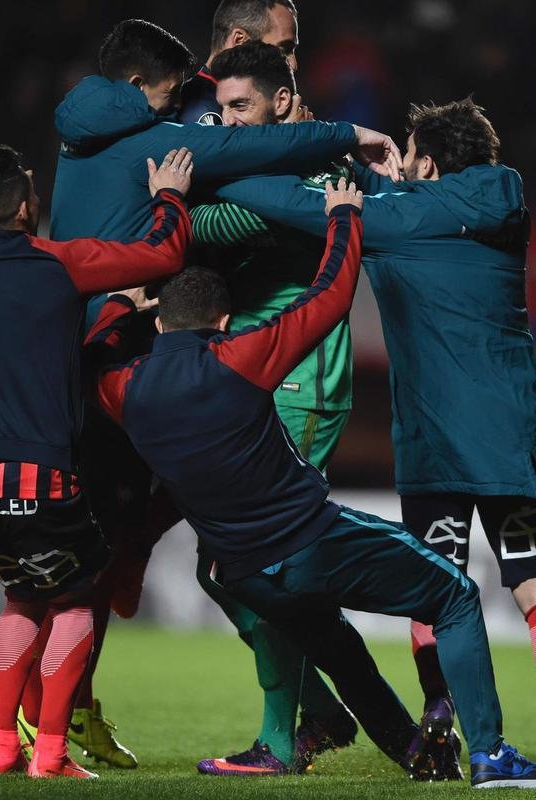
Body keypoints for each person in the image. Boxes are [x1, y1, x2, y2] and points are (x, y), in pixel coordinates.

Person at [88, 177, 536, 790]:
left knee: (336, 645)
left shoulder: (123, 389)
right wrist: (344, 216)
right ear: (227, 321)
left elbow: (95, 352)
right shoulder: (238, 358)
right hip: (312, 542)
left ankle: (414, 753)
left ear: (160, 328)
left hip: (243, 572)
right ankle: (492, 756)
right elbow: (330, 297)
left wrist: (119, 306)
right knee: (455, 597)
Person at [20, 16, 402, 768]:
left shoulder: (101, 134)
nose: (295, 62)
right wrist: (344, 140)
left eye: (293, 52)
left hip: (215, 372)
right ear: (234, 38)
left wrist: (192, 215)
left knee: (219, 560)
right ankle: (53, 718)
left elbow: (254, 195)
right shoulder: (183, 124)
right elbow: (247, 166)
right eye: (284, 44)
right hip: (197, 368)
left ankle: (303, 728)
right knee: (132, 554)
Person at [213, 98, 536, 783]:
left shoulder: (392, 221)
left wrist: (222, 169)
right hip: (509, 436)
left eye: (408, 151)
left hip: (433, 448)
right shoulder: (505, 198)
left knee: (436, 589)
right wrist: (383, 176)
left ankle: (437, 716)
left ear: (426, 161)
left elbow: (295, 205)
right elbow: (423, 201)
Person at [0, 144, 192, 779]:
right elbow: (165, 256)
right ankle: (51, 754)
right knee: (74, 596)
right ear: (22, 209)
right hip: (37, 470)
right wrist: (170, 197)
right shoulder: (60, 264)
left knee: (20, 593)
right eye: (33, 194)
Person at [188, 41, 358, 777]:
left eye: (241, 108)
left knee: (261, 565)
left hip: (301, 382)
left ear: (285, 102)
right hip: (247, 378)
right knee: (219, 570)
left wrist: (185, 201)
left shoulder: (321, 166)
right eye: (219, 110)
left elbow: (225, 229)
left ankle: (282, 741)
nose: (225, 123)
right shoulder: (259, 158)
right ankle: (318, 709)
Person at [180, 0, 301, 127]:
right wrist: (288, 137)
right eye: (282, 49)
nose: (293, 64)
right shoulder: (201, 111)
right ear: (239, 40)